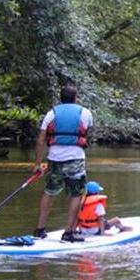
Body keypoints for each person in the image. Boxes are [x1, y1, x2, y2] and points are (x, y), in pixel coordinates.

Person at [32, 83, 93, 243]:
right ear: (75, 98)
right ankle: (68, 233)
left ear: (61, 98)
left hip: (54, 158)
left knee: (50, 191)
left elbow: (40, 140)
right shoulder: (85, 113)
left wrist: (38, 164)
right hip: (75, 158)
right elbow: (87, 133)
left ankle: (39, 229)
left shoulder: (51, 113)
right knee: (76, 194)